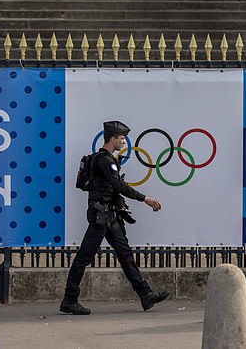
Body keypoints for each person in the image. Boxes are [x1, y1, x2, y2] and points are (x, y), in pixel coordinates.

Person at [60, 120, 169, 315]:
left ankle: (145, 295)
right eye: (122, 138)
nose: (124, 142)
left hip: (110, 216)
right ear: (112, 139)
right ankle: (69, 300)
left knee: (125, 255)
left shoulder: (103, 159)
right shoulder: (105, 160)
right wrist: (145, 199)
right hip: (101, 217)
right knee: (84, 257)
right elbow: (119, 186)